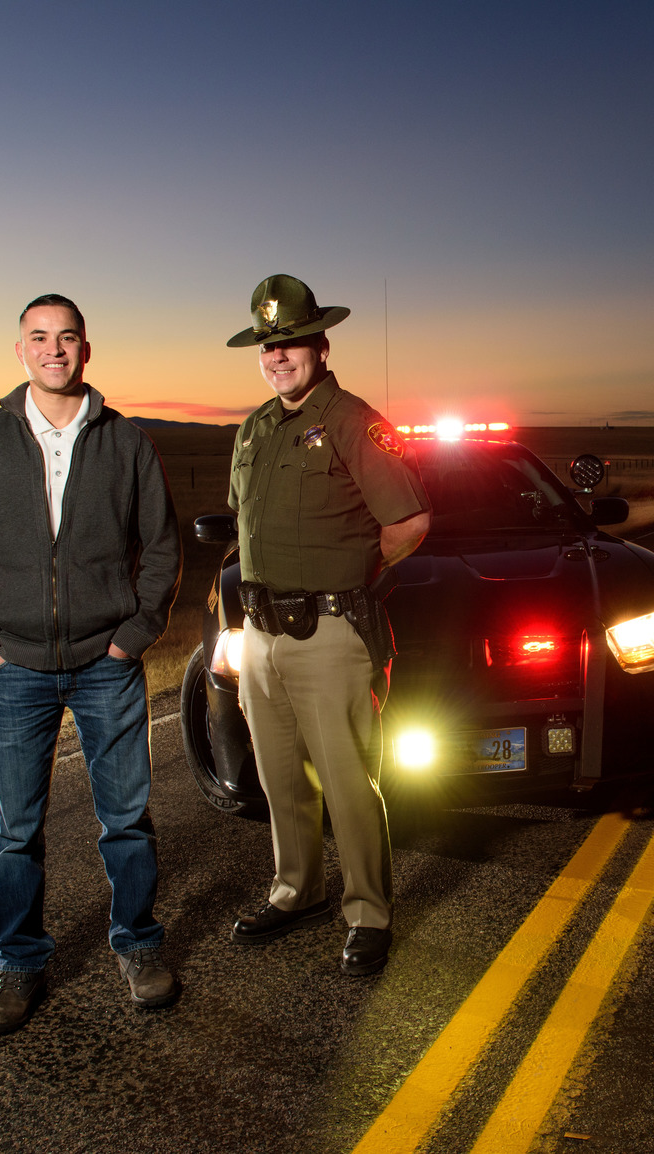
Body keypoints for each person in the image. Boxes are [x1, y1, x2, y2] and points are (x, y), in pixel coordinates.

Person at [0, 293, 183, 1034]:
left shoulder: (126, 441)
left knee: (127, 819)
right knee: (17, 829)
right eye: (38, 338)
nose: (53, 350)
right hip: (13, 668)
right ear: (20, 352)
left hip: (107, 662)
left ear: (86, 349)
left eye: (66, 337)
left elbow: (162, 544)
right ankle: (19, 962)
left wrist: (135, 632)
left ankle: (138, 944)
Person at [225, 274, 430, 975]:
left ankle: (368, 912)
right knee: (280, 778)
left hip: (331, 633)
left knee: (346, 782)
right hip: (260, 635)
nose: (278, 356)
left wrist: (352, 575)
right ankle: (296, 889)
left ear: (319, 343)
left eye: (291, 342)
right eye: (267, 345)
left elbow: (410, 521)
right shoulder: (253, 428)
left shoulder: (352, 421)